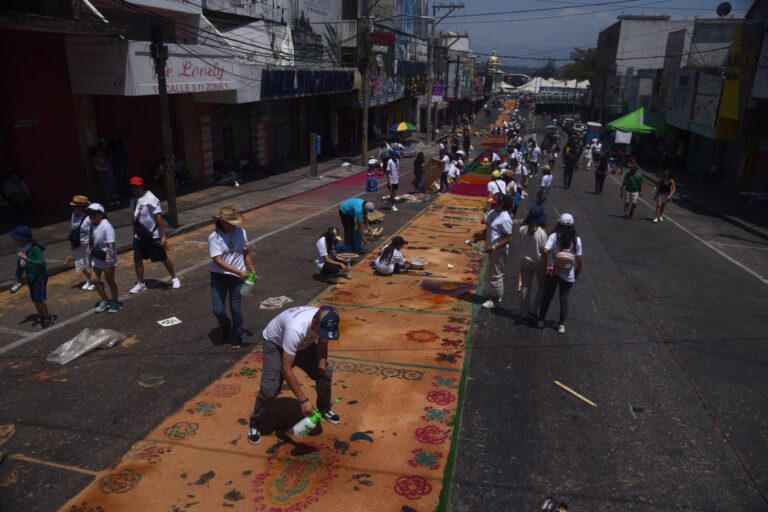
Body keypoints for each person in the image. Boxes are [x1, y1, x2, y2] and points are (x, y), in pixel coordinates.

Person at [248, 305, 342, 445]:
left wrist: (321, 374)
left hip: (303, 345)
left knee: (326, 373)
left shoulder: (325, 323)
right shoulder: (296, 328)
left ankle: (324, 408)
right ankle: (255, 422)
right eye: (321, 332)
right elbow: (286, 369)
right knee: (270, 389)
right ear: (314, 324)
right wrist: (303, 401)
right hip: (276, 344)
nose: (323, 336)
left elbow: (322, 346)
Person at [208, 206, 256, 349]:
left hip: (237, 278)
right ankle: (225, 326)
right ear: (222, 221)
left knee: (235, 308)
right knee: (218, 310)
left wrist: (252, 269)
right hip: (219, 276)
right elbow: (218, 261)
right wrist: (238, 271)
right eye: (229, 222)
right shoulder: (214, 237)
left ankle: (237, 335)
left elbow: (245, 252)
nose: (232, 225)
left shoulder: (241, 232)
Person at [128, 177, 180, 293]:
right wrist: (134, 234)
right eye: (133, 187)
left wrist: (163, 237)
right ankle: (140, 283)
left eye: (137, 187)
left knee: (163, 258)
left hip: (153, 236)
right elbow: (134, 219)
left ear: (142, 186)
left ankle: (174, 277)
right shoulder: (133, 201)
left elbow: (159, 219)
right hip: (139, 236)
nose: (135, 189)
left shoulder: (151, 199)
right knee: (138, 259)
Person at [538, 213, 583, 333]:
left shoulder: (554, 236)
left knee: (548, 296)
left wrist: (549, 260)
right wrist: (578, 270)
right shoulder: (576, 239)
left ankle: (541, 319)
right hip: (568, 273)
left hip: (553, 271)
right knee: (564, 299)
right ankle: (561, 325)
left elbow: (546, 250)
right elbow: (578, 258)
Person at [9, 225, 56, 328]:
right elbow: (20, 265)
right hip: (31, 277)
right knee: (34, 298)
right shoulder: (20, 250)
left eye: (15, 238)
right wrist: (18, 278)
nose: (13, 239)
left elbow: (41, 263)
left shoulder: (34, 249)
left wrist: (27, 259)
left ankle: (48, 317)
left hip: (39, 276)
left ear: (23, 239)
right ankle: (42, 315)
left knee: (39, 298)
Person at [481, 193, 514, 310]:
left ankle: (495, 299)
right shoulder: (493, 213)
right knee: (492, 272)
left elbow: (509, 238)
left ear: (502, 204)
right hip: (491, 248)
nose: (493, 205)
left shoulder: (505, 219)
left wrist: (494, 247)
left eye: (495, 204)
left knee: (496, 274)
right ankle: (494, 293)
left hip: (498, 251)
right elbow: (488, 227)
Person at [87, 203, 120, 313]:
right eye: (89, 213)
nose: (91, 215)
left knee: (110, 281)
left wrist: (109, 262)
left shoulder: (107, 226)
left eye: (93, 213)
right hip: (97, 257)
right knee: (94, 279)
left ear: (100, 214)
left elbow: (111, 245)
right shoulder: (92, 225)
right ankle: (105, 301)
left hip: (107, 258)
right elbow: (92, 241)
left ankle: (115, 302)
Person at [518, 206, 548, 327]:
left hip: (525, 262)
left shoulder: (521, 229)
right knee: (542, 287)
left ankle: (524, 313)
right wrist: (547, 265)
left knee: (526, 287)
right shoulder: (542, 233)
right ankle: (534, 310)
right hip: (538, 263)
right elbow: (544, 251)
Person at [68, 195, 94, 291]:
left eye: (76, 206)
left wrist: (92, 245)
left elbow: (92, 232)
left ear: (82, 207)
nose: (74, 208)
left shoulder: (88, 218)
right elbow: (72, 229)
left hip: (87, 244)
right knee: (80, 264)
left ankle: (93, 281)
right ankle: (89, 279)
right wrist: (72, 244)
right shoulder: (73, 215)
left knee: (89, 264)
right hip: (78, 243)